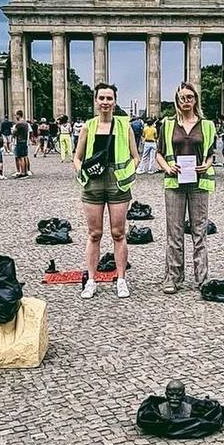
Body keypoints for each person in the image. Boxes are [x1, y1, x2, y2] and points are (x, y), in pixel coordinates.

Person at [73, 84, 138, 299]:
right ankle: (91, 280)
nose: (105, 102)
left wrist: (127, 174)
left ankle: (121, 279)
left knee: (118, 233)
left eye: (109, 98)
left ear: (115, 102)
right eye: (101, 98)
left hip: (117, 182)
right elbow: (77, 157)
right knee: (94, 234)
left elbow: (135, 156)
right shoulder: (88, 126)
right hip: (93, 182)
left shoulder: (124, 125)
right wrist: (82, 174)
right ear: (96, 101)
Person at [155, 82, 217, 294]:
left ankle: (202, 278)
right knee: (175, 232)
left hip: (199, 183)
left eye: (190, 97)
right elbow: (159, 154)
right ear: (177, 101)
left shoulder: (207, 125)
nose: (186, 101)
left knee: (200, 232)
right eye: (182, 98)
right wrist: (167, 167)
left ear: (195, 99)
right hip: (174, 183)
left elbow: (211, 154)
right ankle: (173, 277)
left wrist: (206, 164)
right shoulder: (167, 124)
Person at [12, 111, 32, 178]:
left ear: (18, 115)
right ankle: (25, 171)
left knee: (20, 158)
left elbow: (14, 133)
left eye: (16, 115)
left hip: (19, 141)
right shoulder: (26, 123)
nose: (15, 117)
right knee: (25, 157)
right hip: (25, 141)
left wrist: (13, 132)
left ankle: (22, 172)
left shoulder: (18, 124)